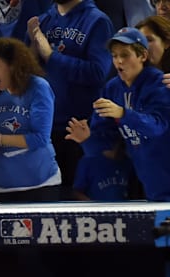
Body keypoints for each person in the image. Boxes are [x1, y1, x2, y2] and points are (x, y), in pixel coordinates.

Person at [65, 27, 170, 201]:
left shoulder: (159, 84)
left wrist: (123, 113)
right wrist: (87, 139)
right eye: (114, 56)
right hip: (150, 182)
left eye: (125, 55)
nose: (119, 61)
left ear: (143, 56)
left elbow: (157, 127)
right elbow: (107, 144)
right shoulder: (112, 88)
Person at [26, 0, 114, 199]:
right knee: (47, 204)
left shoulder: (98, 21)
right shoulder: (42, 21)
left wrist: (51, 56)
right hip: (44, 130)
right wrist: (33, 46)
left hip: (79, 127)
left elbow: (98, 73)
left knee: (79, 203)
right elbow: (27, 73)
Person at [0, 37, 62, 202]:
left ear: (13, 66)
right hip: (3, 184)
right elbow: (0, 138)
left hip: (40, 183)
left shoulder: (38, 87)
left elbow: (40, 138)